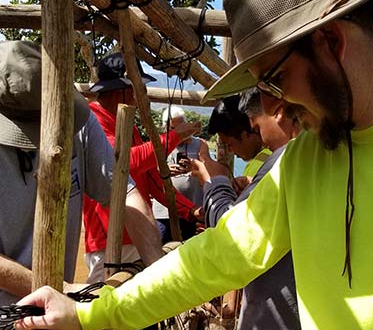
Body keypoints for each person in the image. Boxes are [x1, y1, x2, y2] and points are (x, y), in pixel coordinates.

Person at [16, 0, 373, 330]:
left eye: (275, 78)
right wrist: (91, 313)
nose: (276, 106)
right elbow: (214, 259)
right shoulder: (303, 162)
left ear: (332, 43)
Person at [0, 41, 159, 330]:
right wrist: (64, 290)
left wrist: (159, 266)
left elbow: (124, 193)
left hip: (56, 321)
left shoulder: (77, 123)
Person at [191, 88, 306, 330]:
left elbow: (234, 239)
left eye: (256, 125)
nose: (262, 135)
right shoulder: (307, 159)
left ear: (277, 111)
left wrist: (214, 183)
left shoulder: (285, 161)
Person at [83, 53, 203, 282]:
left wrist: (192, 210)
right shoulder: (93, 121)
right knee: (104, 308)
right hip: (108, 239)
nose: (141, 96)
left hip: (140, 237)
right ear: (125, 89)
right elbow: (120, 162)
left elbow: (155, 182)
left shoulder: (131, 129)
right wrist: (173, 138)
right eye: (139, 88)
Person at [153, 105, 206, 242]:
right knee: (158, 249)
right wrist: (164, 171)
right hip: (163, 212)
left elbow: (208, 172)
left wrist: (193, 168)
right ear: (165, 128)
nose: (178, 132)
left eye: (180, 127)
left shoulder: (200, 144)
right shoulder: (158, 144)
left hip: (193, 210)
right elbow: (148, 173)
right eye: (173, 129)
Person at [208, 96, 271, 177]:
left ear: (246, 135)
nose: (230, 151)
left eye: (229, 145)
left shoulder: (258, 166)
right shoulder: (279, 153)